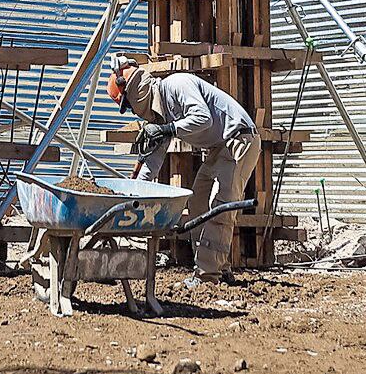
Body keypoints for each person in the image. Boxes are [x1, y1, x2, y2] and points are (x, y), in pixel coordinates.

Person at [110, 59, 257, 284]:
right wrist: (131, 197)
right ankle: (220, 267)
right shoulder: (161, 119)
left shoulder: (177, 84)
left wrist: (168, 129)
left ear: (136, 92)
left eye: (128, 105)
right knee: (197, 200)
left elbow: (203, 119)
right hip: (219, 147)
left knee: (221, 207)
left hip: (239, 139)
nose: (132, 112)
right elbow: (152, 166)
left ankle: (207, 275)